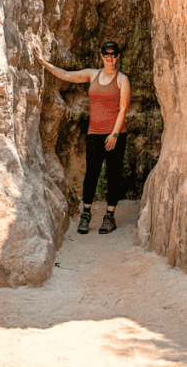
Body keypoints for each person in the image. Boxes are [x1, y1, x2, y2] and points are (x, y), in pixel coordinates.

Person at [35, 41, 131, 234]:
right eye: (106, 54)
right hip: (95, 133)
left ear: (118, 57)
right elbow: (67, 76)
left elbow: (123, 109)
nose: (110, 58)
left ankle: (109, 217)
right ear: (102, 56)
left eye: (113, 54)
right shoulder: (92, 74)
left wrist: (113, 134)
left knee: (113, 175)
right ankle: (86, 214)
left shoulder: (122, 80)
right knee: (92, 174)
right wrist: (44, 63)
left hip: (116, 134)